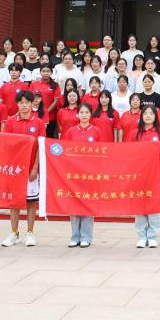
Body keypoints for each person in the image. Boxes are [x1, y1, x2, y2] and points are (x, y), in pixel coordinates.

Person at [1, 91, 46, 248]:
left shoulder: (38, 122)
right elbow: (5, 143)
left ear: (32, 104)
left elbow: (40, 147)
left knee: (31, 202)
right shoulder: (11, 122)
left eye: (27, 102)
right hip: (14, 169)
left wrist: (35, 167)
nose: (24, 105)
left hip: (31, 169)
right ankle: (14, 233)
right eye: (21, 102)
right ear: (17, 104)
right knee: (14, 202)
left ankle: (30, 232)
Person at [62, 103, 101, 247]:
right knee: (74, 203)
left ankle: (86, 237)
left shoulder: (96, 131)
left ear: (91, 114)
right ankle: (75, 236)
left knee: (88, 204)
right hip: (74, 174)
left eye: (87, 112)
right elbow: (65, 150)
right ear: (77, 114)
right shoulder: (71, 131)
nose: (84, 115)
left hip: (90, 174)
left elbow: (101, 152)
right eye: (82, 112)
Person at [129, 105, 160, 248]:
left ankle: (153, 236)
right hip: (139, 175)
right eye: (145, 113)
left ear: (155, 116)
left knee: (154, 206)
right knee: (140, 205)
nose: (148, 116)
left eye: (151, 113)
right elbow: (129, 152)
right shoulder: (135, 133)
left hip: (155, 175)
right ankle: (142, 236)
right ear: (141, 116)